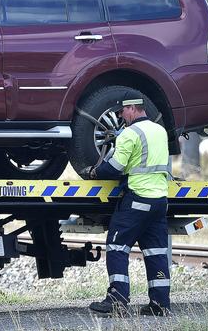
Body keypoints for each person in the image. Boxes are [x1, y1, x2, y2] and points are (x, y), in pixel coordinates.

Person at [88, 93, 172, 317]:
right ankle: (160, 304)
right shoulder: (159, 131)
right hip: (159, 202)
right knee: (156, 252)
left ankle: (117, 301)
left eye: (122, 112)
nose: (120, 117)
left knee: (117, 248)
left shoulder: (129, 134)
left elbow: (115, 167)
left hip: (137, 201)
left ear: (132, 108)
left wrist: (95, 172)